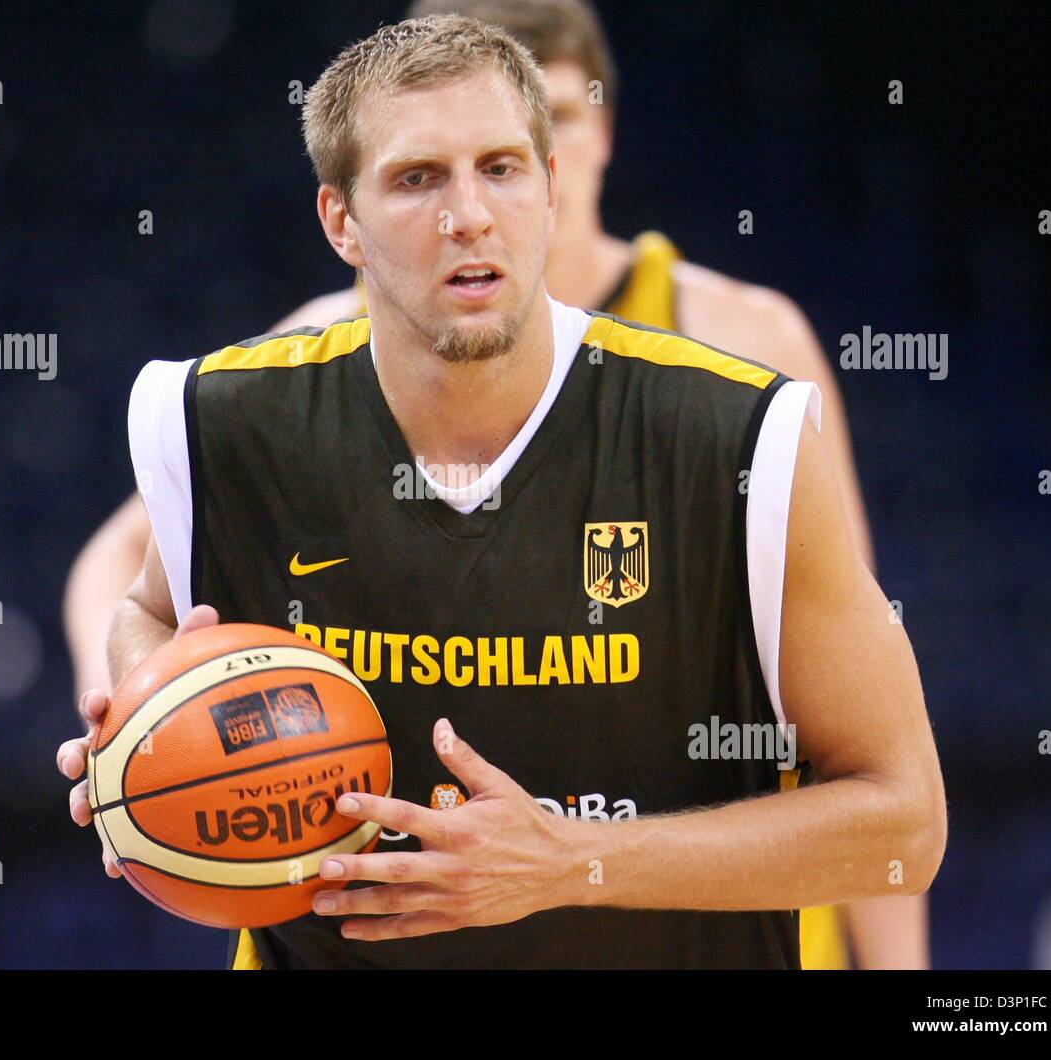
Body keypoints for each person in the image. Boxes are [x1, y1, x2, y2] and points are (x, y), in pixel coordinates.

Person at [57, 13, 945, 969]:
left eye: (502, 167)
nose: (468, 213)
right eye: (416, 178)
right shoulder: (230, 422)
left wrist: (570, 864)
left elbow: (903, 827)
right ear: (340, 222)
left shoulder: (738, 428)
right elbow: (142, 605)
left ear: (552, 187)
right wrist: (145, 722)